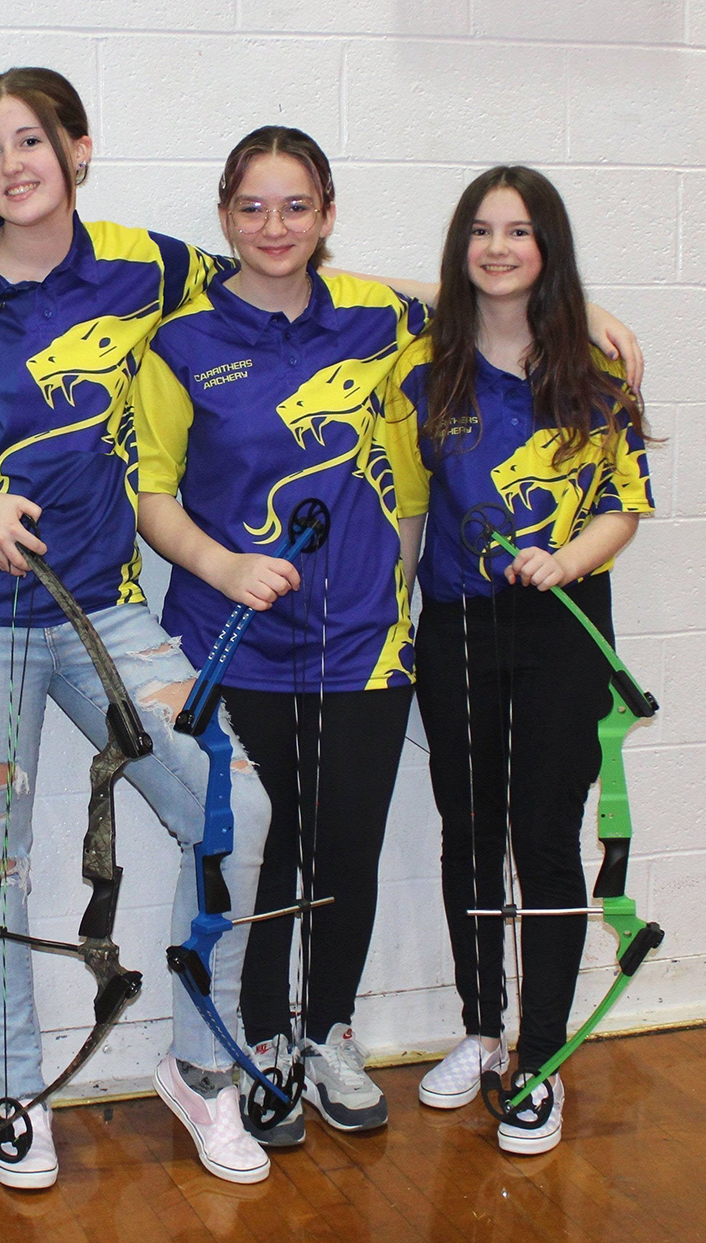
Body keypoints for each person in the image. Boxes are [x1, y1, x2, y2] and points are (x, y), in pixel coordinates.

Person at [131, 131, 643, 1149]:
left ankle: (327, 1033)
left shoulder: (381, 321)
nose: (273, 229)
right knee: (260, 854)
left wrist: (586, 307)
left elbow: (477, 293)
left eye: (296, 208)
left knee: (346, 855)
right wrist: (226, 568)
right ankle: (261, 1038)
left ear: (327, 215)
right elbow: (148, 491)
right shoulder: (178, 341)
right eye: (252, 208)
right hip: (233, 641)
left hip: (366, 646)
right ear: (225, 212)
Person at [0, 67, 273, 1189]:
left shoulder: (144, 264)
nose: (10, 164)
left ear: (77, 148)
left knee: (231, 806)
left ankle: (202, 1070)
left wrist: (511, 303)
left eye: (30, 140)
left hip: (104, 608)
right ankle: (11, 1084)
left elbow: (282, 271)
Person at [383, 165, 654, 1155]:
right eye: (480, 231)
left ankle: (537, 1059)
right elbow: (342, 281)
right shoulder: (427, 367)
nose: (499, 248)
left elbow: (623, 502)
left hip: (562, 629)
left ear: (548, 250)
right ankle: (480, 1030)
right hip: (454, 629)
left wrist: (564, 559)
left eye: (520, 231)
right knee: (468, 832)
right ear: (460, 249)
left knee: (541, 839)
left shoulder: (592, 367)